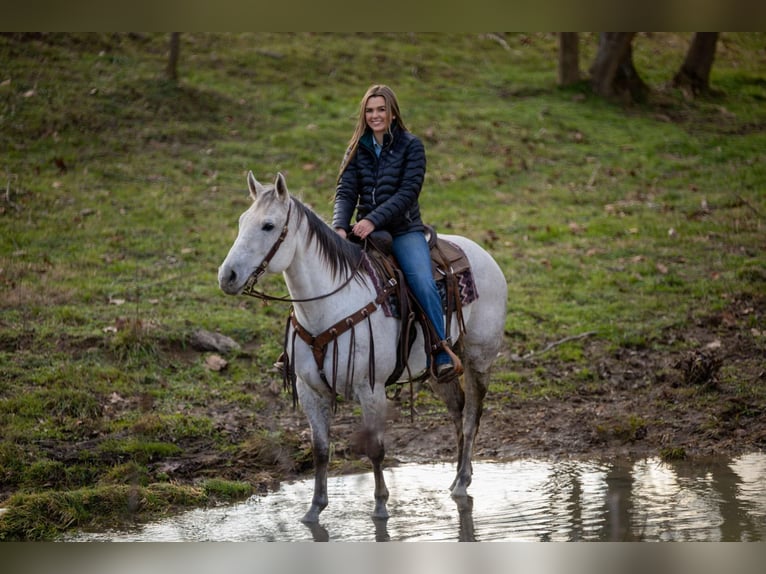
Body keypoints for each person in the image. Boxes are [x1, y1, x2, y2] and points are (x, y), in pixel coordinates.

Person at [332, 84, 457, 383]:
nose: (375, 116)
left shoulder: (411, 145)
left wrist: (373, 220)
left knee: (422, 281)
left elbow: (408, 192)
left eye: (381, 110)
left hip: (403, 229)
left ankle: (440, 350)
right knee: (323, 270)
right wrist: (339, 225)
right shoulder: (356, 148)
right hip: (362, 230)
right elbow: (345, 190)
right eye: (370, 110)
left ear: (392, 112)